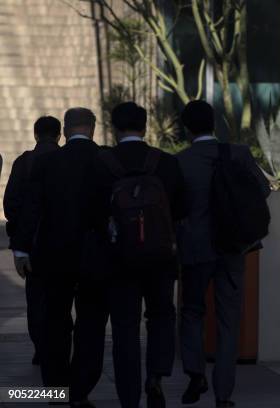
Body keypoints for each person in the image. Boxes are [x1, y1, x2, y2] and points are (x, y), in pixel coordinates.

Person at [89, 102, 186, 408]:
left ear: (114, 128)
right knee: (161, 316)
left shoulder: (102, 164)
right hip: (160, 258)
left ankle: (129, 397)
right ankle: (156, 376)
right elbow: (182, 210)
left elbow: (90, 214)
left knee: (124, 327)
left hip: (119, 260)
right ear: (145, 127)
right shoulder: (166, 163)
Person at [11, 108, 108, 408]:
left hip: (54, 257)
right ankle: (80, 391)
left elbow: (31, 209)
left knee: (55, 323)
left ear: (65, 130)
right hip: (96, 256)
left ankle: (55, 390)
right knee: (91, 326)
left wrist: (22, 250)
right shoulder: (107, 160)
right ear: (93, 128)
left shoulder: (48, 162)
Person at [176, 100, 270, 407]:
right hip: (233, 248)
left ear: (187, 128)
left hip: (195, 250)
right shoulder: (238, 154)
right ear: (214, 124)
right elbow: (264, 189)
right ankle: (223, 394)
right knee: (229, 320)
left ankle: (195, 371)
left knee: (191, 312)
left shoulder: (182, 161)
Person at [5, 116, 61, 365]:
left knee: (36, 299)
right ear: (59, 135)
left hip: (34, 245)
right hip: (64, 243)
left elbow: (11, 205)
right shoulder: (68, 159)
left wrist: (19, 243)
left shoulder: (24, 162)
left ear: (36, 135)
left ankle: (41, 346)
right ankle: (60, 346)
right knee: (61, 298)